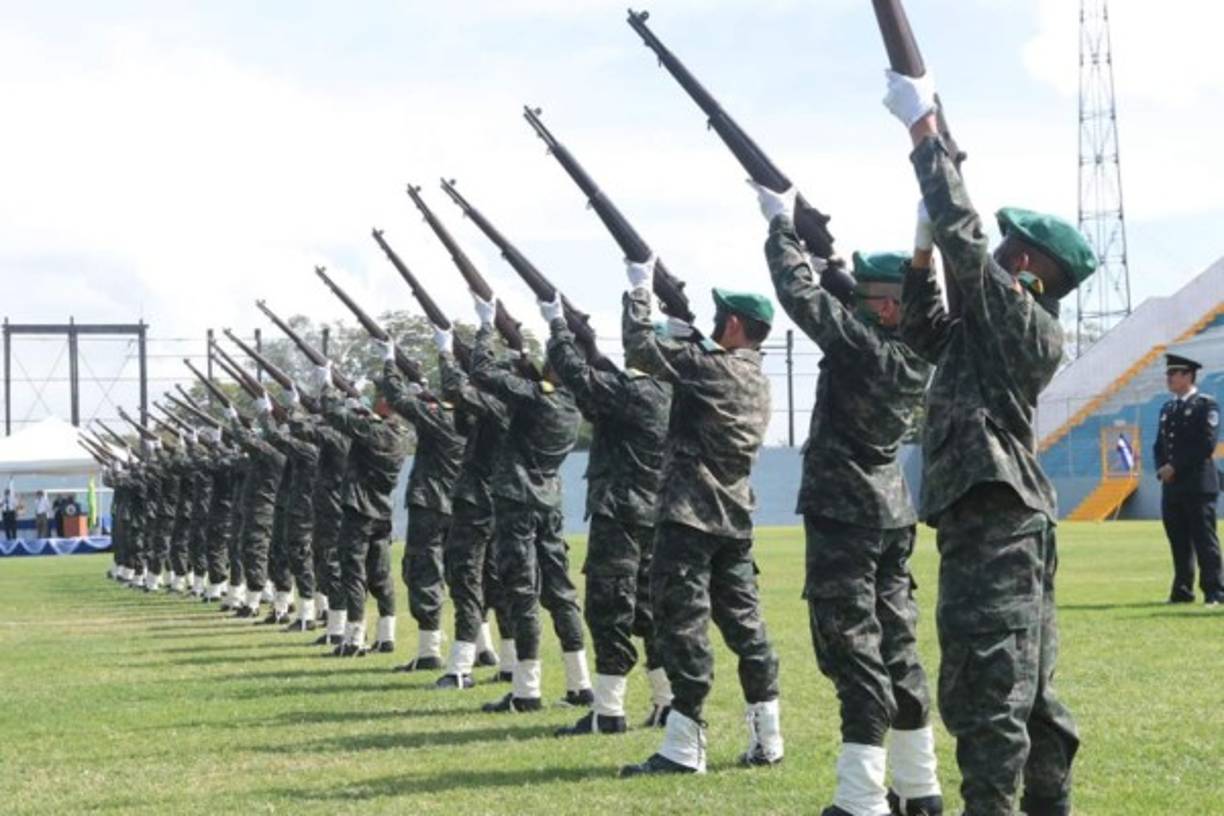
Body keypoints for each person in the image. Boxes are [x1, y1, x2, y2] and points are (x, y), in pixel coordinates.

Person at [884, 69, 1098, 816]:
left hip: (997, 518)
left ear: (1032, 270)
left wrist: (925, 139)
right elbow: (920, 334)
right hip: (999, 516)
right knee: (1025, 690)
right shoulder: (989, 330)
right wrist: (919, 251)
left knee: (986, 691)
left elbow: (967, 245)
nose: (1002, 252)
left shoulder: (1025, 323)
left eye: (1014, 248)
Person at [753, 174, 943, 816]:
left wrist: (780, 225)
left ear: (888, 308)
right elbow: (833, 291)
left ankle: (861, 798)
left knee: (852, 648)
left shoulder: (869, 348)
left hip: (846, 514)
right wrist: (830, 258)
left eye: (867, 296)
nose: (856, 302)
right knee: (898, 646)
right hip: (889, 512)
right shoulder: (907, 352)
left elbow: (801, 298)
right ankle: (920, 787)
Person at [618, 268, 782, 777]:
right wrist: (690, 339)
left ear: (733, 325)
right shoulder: (754, 375)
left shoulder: (710, 368)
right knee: (747, 629)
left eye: (717, 322)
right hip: (733, 522)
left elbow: (638, 348)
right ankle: (767, 738)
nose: (711, 328)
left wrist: (639, 287)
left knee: (681, 629)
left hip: (689, 519)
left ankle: (685, 747)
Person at [541, 294, 673, 736]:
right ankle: (666, 701)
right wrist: (591, 345)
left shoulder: (640, 394)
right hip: (653, 513)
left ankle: (609, 711)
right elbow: (606, 378)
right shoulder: (665, 390)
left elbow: (578, 376)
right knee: (648, 610)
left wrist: (558, 326)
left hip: (621, 513)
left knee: (608, 608)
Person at [468, 292, 591, 714]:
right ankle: (581, 683)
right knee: (560, 592)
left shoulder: (537, 398)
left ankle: (527, 690)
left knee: (522, 594)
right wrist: (523, 359)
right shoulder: (571, 407)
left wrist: (486, 325)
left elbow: (480, 370)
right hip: (549, 503)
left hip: (518, 502)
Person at [375, 346, 465, 671]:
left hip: (430, 502)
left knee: (424, 571)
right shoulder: (470, 416)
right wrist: (424, 391)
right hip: (461, 505)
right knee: (466, 576)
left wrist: (390, 362)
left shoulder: (439, 416)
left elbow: (398, 400)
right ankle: (482, 648)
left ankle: (429, 652)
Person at [314, 365, 411, 657]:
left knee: (352, 573)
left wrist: (327, 385)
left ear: (386, 402)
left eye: (378, 395)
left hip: (359, 509)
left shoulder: (378, 432)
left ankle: (354, 638)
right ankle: (386, 636)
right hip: (381, 512)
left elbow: (333, 414)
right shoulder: (399, 432)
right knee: (380, 576)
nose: (374, 398)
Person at [1154, 353, 1222, 605]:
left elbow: (1205, 444)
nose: (1168, 378)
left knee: (1204, 540)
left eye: (1173, 374)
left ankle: (1215, 591)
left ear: (1187, 375)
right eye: (1168, 374)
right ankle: (1182, 590)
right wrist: (1162, 468)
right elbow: (1159, 444)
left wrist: (1174, 466)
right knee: (1178, 541)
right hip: (1172, 486)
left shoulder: (1206, 405)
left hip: (1197, 484)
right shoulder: (1168, 408)